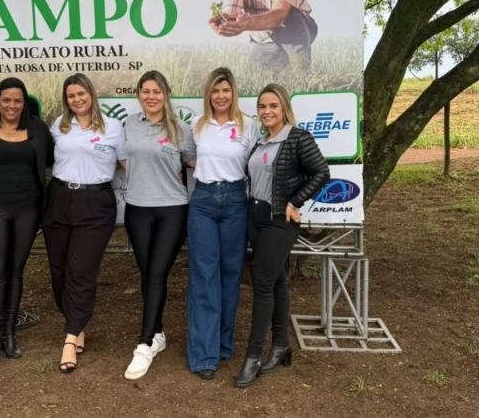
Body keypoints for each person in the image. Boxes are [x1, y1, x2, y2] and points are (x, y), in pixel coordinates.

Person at [234, 84, 329, 388]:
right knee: (276, 282)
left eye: (273, 105)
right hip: (255, 218)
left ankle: (252, 356)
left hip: (279, 221)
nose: (267, 111)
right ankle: (281, 346)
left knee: (261, 283)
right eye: (262, 106)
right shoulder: (261, 141)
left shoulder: (297, 138)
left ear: (284, 107)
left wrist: (295, 202)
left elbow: (321, 172)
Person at [44, 73, 126, 373]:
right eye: (70, 96)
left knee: (81, 271)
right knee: (58, 270)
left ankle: (68, 339)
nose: (76, 99)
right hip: (59, 199)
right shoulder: (59, 126)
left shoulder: (114, 128)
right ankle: (76, 325)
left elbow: (128, 164)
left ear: (91, 94)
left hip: (96, 203)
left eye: (81, 94)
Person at [0, 77, 54, 372]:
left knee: (17, 271)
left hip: (28, 207)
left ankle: (10, 334)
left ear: (25, 103)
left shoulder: (38, 129)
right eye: (6, 100)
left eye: (17, 101)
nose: (12, 105)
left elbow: (55, 159)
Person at [186, 67, 259, 380]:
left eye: (225, 90)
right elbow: (190, 157)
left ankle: (222, 343)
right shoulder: (197, 125)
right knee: (204, 274)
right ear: (208, 94)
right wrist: (208, 167)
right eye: (215, 91)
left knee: (230, 275)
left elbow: (256, 164)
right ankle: (203, 355)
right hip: (202, 201)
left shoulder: (249, 126)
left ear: (234, 93)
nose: (220, 96)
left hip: (234, 201)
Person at [122, 70, 196, 380]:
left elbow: (194, 163)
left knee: (156, 274)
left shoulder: (181, 129)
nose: (150, 96)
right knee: (147, 274)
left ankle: (144, 343)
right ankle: (159, 332)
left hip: (172, 210)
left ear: (166, 94)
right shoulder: (129, 125)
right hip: (137, 208)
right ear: (139, 94)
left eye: (156, 91)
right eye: (145, 91)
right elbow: (123, 159)